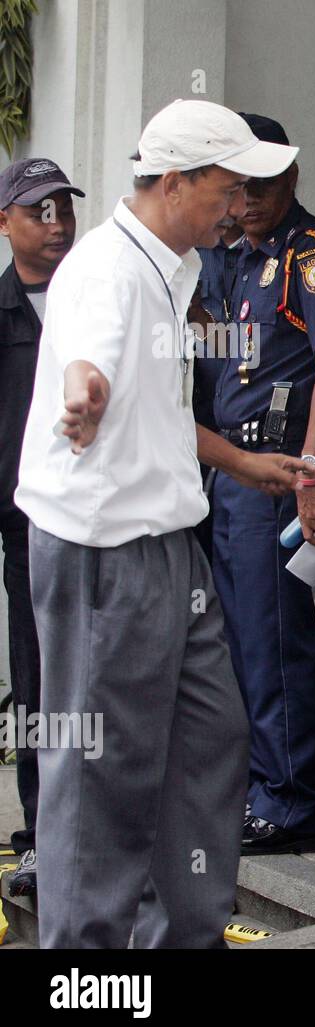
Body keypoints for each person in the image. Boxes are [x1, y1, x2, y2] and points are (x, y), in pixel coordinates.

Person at [15, 98, 304, 947]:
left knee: (211, 742)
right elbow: (88, 356)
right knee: (100, 774)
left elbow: (157, 411)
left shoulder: (173, 264)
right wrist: (82, 391)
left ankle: (180, 937)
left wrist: (241, 463)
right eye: (227, 187)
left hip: (170, 548)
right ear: (174, 181)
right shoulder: (106, 270)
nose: (240, 205)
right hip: (105, 553)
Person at [193, 113, 315, 855]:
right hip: (230, 471)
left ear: (292, 178)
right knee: (239, 642)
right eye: (242, 187)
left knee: (277, 643)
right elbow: (225, 353)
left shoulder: (310, 252)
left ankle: (295, 801)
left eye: (267, 184)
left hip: (278, 472)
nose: (253, 200)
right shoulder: (237, 256)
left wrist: (312, 474)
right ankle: (259, 786)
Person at [0, 158, 83, 898]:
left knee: (108, 685)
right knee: (38, 686)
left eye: (64, 209)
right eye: (38, 212)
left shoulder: (94, 296)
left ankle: (105, 835)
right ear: (6, 223)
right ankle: (40, 837)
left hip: (105, 520)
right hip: (27, 528)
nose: (56, 225)